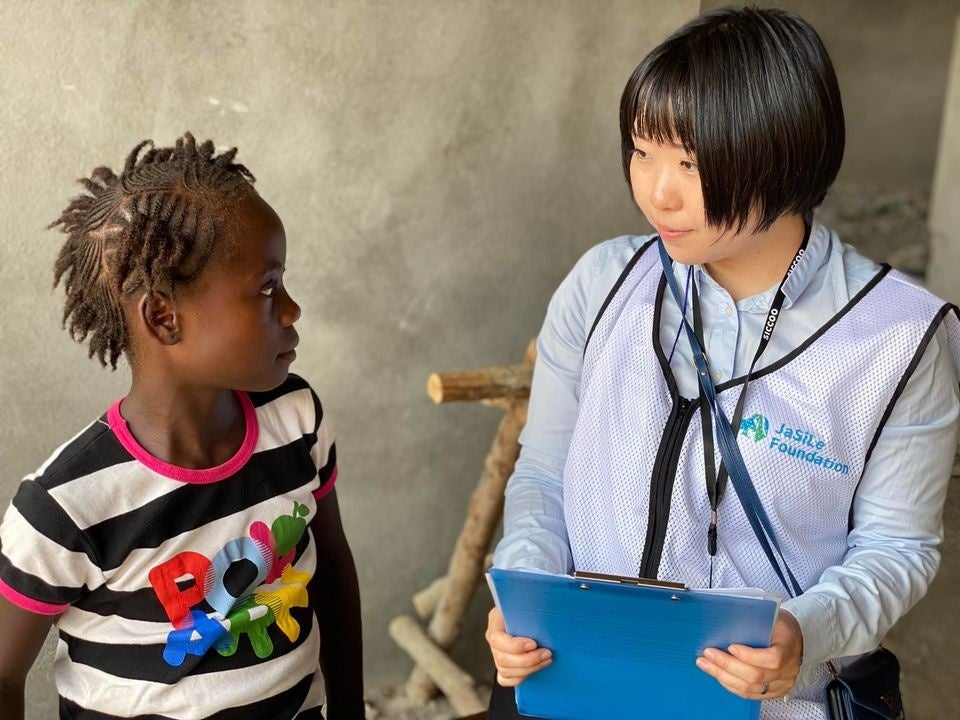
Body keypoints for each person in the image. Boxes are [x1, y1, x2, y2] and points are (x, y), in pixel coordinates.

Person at [485, 6, 960, 719]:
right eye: (642, 151)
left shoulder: (900, 338)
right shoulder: (604, 283)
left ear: (783, 155)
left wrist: (804, 632)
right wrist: (526, 596)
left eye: (691, 162)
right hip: (572, 688)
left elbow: (898, 546)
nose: (656, 191)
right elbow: (545, 473)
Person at [0, 134, 364, 719]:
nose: (291, 308)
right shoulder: (67, 505)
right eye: (267, 288)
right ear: (164, 317)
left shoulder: (296, 418)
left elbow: (333, 569)